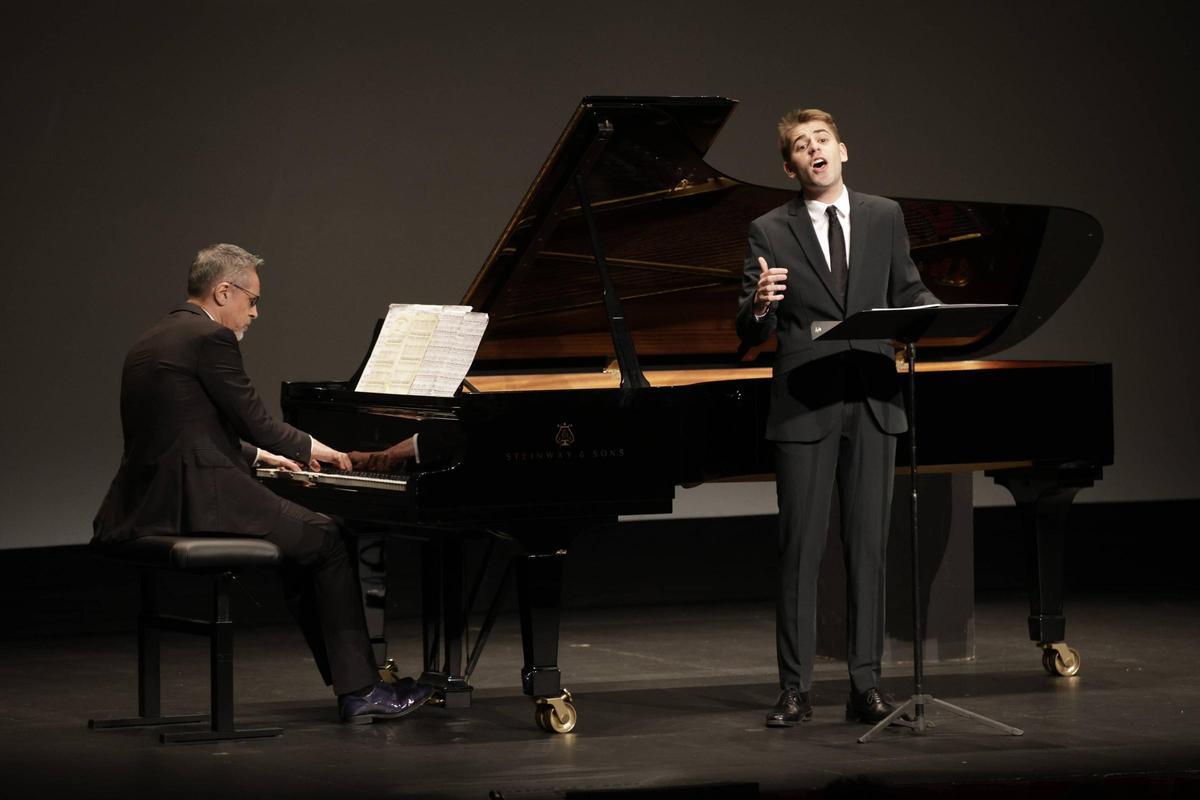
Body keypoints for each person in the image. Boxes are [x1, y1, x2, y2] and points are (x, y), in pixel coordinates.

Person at [93, 243, 433, 724]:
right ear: (223, 292)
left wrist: (261, 456)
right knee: (329, 538)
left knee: (304, 547)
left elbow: (186, 430)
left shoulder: (152, 339)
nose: (255, 312)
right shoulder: (211, 338)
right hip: (199, 500)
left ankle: (353, 679)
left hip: (146, 503)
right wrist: (314, 448)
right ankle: (361, 689)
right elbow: (256, 421)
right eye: (251, 300)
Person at [736, 109, 939, 728]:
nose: (814, 149)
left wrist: (933, 311)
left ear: (842, 150)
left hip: (874, 399)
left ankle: (865, 685)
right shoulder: (769, 229)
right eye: (801, 145)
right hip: (805, 403)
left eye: (821, 139)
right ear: (790, 167)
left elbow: (908, 289)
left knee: (869, 549)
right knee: (799, 550)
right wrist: (760, 306)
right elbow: (750, 329)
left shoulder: (884, 215)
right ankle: (794, 690)